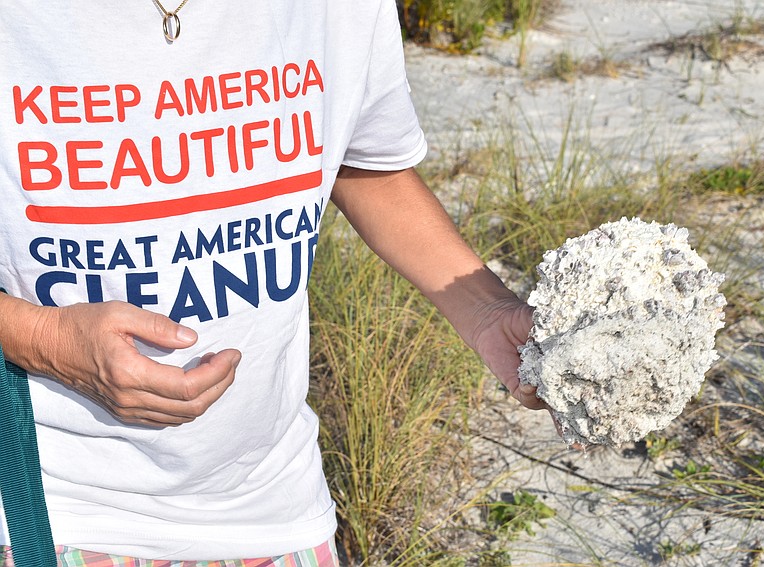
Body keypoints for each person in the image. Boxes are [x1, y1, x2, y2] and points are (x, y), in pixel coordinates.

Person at [0, 0, 544, 564]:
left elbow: (364, 162)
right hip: (47, 504)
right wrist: (45, 339)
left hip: (276, 503)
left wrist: (485, 312)